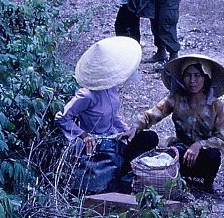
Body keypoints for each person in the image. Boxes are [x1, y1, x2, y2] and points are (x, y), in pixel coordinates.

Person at [55, 36, 158, 189]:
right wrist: (83, 135)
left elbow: (114, 117)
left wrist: (127, 131)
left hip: (113, 138)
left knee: (149, 137)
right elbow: (62, 118)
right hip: (96, 145)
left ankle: (124, 172)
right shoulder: (87, 95)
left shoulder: (111, 87)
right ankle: (118, 176)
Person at [126, 54, 224, 193]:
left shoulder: (215, 105)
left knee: (214, 155)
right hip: (180, 155)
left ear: (206, 77)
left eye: (197, 75)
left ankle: (208, 184)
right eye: (188, 75)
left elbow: (222, 139)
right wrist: (136, 127)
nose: (192, 81)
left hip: (203, 158)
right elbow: (152, 114)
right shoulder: (176, 98)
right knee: (172, 151)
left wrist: (199, 145)